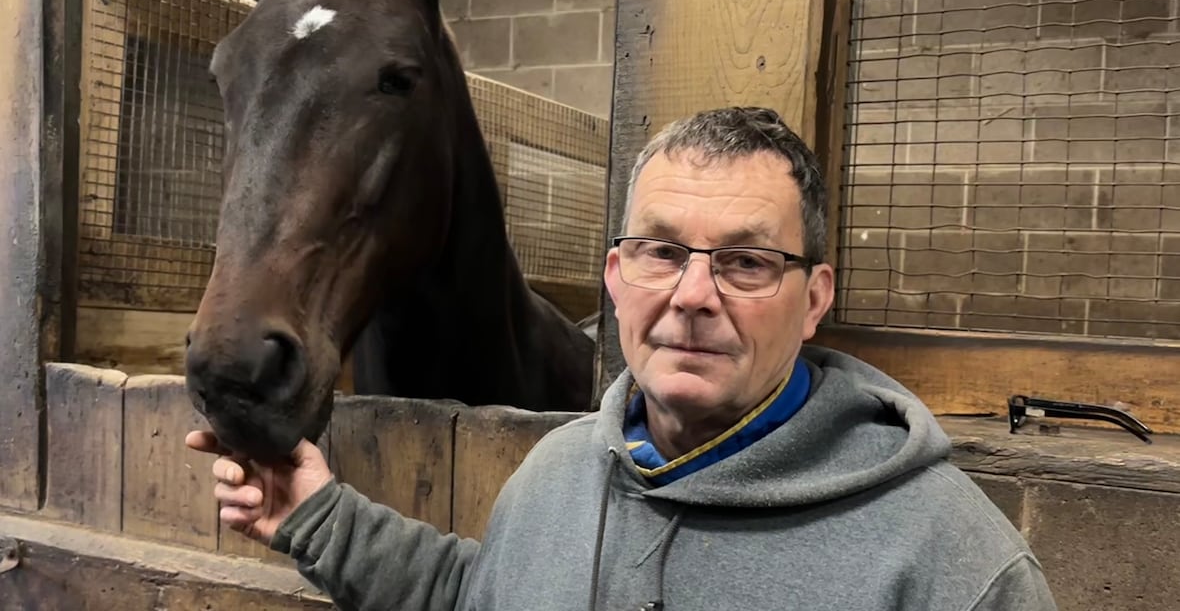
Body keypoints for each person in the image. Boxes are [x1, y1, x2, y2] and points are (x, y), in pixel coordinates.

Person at [187, 106, 1058, 611]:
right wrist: (319, 515)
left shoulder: (954, 568)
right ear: (615, 275)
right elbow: (487, 595)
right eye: (660, 252)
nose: (691, 294)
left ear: (816, 299)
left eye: (747, 263)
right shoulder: (563, 470)